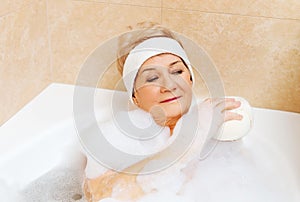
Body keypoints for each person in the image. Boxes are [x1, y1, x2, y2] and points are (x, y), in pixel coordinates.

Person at [83, 22, 243, 202]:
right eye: (152, 78)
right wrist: (187, 141)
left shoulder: (217, 127)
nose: (169, 85)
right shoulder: (113, 140)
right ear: (134, 97)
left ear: (190, 78)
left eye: (176, 71)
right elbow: (99, 196)